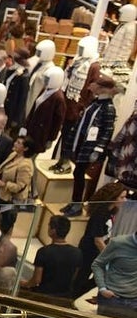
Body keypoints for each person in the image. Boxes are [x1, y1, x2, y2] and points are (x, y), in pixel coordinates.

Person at [62, 76, 117, 217]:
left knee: (79, 172)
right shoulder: (95, 103)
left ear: (102, 88)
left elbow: (107, 131)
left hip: (90, 147)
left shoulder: (108, 108)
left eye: (96, 85)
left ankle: (77, 204)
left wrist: (98, 149)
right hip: (82, 142)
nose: (92, 86)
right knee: (77, 173)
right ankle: (75, 202)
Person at [73, 182, 127, 298]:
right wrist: (109, 256)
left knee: (99, 277)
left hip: (98, 250)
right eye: (122, 197)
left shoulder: (111, 211)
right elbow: (97, 240)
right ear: (113, 197)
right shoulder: (99, 214)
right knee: (82, 276)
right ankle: (73, 296)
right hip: (89, 251)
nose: (125, 200)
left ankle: (79, 293)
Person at [0, 135, 36, 236]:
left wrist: (3, 184)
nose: (15, 143)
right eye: (16, 141)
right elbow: (4, 169)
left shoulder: (26, 165)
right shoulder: (13, 155)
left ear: (25, 148)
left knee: (3, 225)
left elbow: (20, 187)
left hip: (10, 201)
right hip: (1, 195)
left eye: (18, 143)